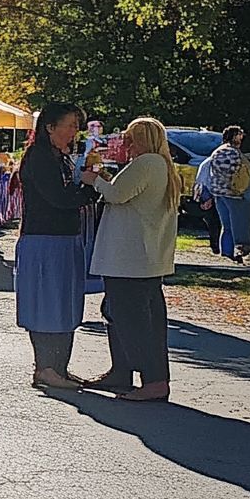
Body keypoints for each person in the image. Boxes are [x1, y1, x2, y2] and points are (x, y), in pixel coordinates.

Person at [81, 118, 179, 401]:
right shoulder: (160, 165)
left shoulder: (147, 163)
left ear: (144, 141)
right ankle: (123, 372)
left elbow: (118, 194)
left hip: (130, 259)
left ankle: (153, 380)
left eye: (130, 139)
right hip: (143, 260)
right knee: (123, 314)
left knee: (132, 320)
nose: (125, 145)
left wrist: (94, 180)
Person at [14, 102, 96, 390]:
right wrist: (90, 189)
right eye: (71, 125)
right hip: (44, 239)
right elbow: (59, 198)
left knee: (65, 303)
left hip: (64, 238)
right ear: (50, 127)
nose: (75, 131)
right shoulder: (39, 158)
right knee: (46, 304)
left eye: (77, 125)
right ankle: (46, 367)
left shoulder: (60, 157)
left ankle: (59, 367)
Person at [206, 125, 250, 262]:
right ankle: (240, 252)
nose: (242, 137)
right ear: (234, 136)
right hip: (235, 195)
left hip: (220, 194)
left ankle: (226, 254)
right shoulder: (232, 152)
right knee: (240, 226)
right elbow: (235, 173)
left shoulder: (217, 151)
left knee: (226, 226)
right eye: (240, 134)